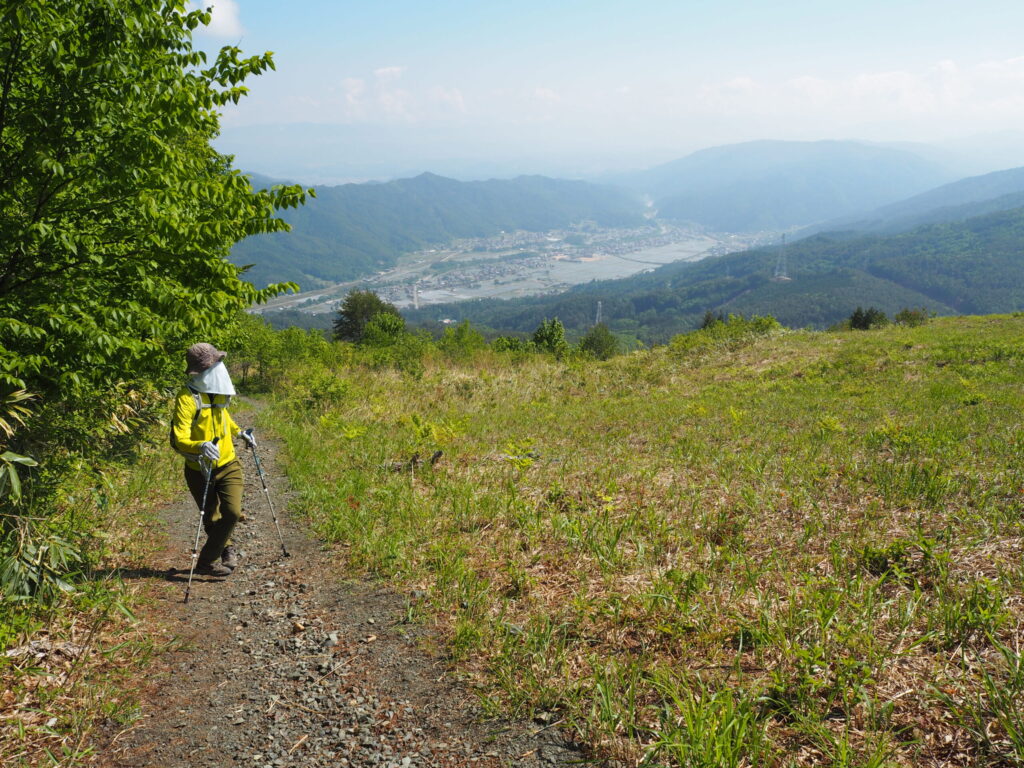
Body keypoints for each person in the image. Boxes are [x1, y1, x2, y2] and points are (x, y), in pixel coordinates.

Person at [170, 343, 256, 576]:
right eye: (215, 363)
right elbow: (179, 438)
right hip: (199, 468)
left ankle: (207, 558)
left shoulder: (217, 392)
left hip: (228, 463)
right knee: (211, 517)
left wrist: (240, 433)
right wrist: (200, 446)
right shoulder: (187, 398)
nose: (219, 366)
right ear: (203, 370)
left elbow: (224, 417)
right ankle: (220, 554)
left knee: (232, 512)